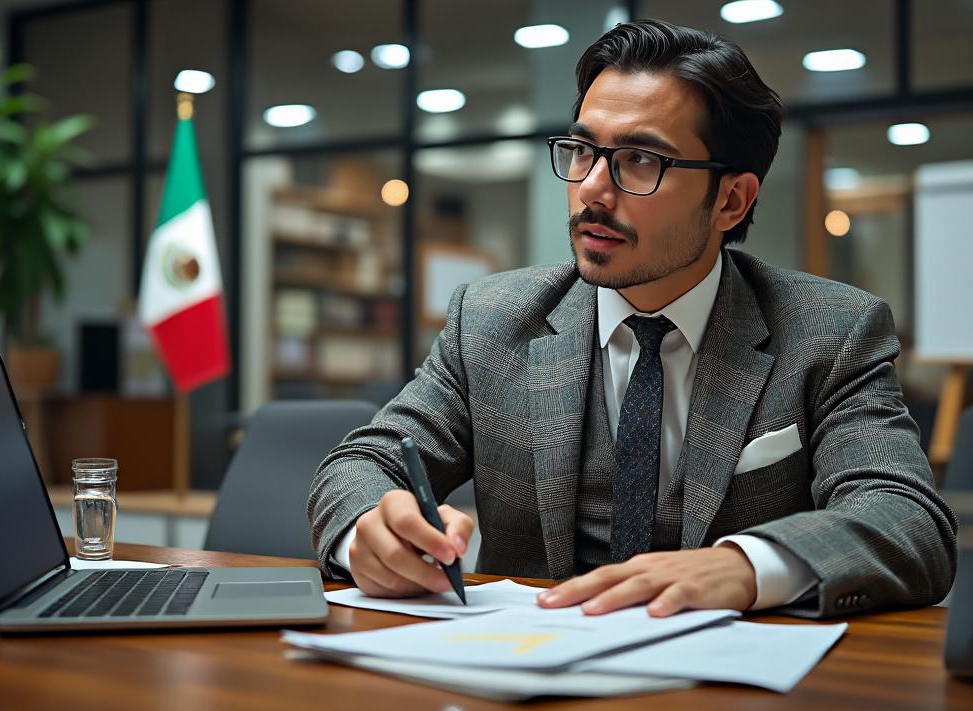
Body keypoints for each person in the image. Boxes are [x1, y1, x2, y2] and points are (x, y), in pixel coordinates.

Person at [307, 19, 956, 618]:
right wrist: (370, 525)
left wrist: (746, 566)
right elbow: (360, 464)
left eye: (641, 160)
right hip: (524, 679)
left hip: (733, 702)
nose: (592, 187)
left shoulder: (829, 331)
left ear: (731, 199)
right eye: (583, 150)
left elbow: (905, 519)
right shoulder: (493, 322)